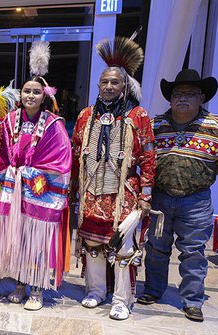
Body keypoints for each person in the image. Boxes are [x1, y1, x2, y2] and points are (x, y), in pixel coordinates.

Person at [138, 69, 218, 322]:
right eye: (177, 94)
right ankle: (153, 289)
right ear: (170, 98)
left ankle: (192, 300)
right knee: (156, 248)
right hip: (161, 198)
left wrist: (200, 174)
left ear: (201, 97)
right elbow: (143, 158)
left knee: (193, 251)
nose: (182, 99)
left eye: (189, 94)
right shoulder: (155, 125)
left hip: (196, 201)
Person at [70, 36, 155, 320]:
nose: (108, 87)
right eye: (104, 82)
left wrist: (145, 195)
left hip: (123, 194)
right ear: (98, 85)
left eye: (114, 82)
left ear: (125, 86)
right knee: (93, 245)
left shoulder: (137, 116)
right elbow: (75, 155)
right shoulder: (85, 115)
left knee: (123, 248)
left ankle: (121, 299)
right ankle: (96, 291)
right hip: (92, 192)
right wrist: (72, 192)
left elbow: (148, 158)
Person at [0, 41, 72, 311]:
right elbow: (0, 153)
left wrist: (28, 173)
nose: (30, 95)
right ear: (20, 94)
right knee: (18, 238)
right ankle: (19, 283)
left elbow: (61, 161)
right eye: (26, 91)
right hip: (14, 189)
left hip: (38, 192)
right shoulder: (8, 121)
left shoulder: (54, 125)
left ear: (44, 96)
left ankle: (37, 289)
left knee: (37, 240)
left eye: (36, 92)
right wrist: (8, 174)